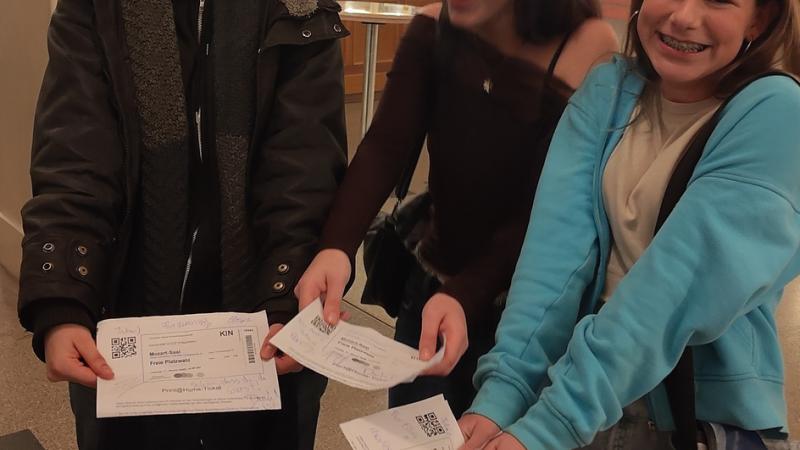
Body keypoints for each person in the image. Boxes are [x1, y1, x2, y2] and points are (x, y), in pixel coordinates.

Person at [457, 0, 800, 448]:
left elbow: (673, 291)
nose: (683, 16)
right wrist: (504, 391)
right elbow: (554, 256)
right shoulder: (610, 86)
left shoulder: (777, 112)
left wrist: (553, 422)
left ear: (760, 17)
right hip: (580, 385)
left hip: (685, 410)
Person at [16, 0, 349, 449]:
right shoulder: (94, 8)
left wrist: (284, 300)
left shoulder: (299, 6)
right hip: (125, 318)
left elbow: (303, 169)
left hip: (265, 320)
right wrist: (62, 305)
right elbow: (75, 159)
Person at [294, 0, 619, 417]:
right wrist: (336, 247)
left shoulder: (588, 44)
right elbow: (384, 148)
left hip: (523, 313)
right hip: (431, 287)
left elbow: (550, 208)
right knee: (410, 432)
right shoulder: (433, 26)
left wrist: (466, 292)